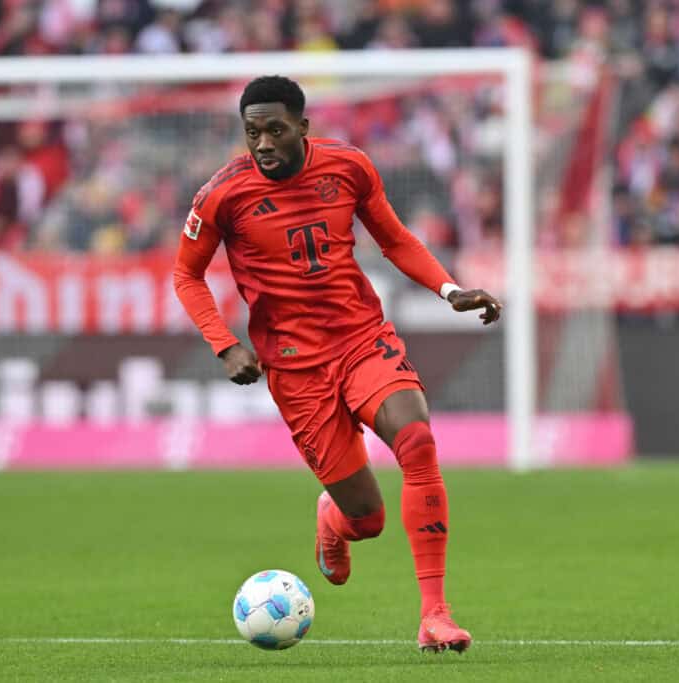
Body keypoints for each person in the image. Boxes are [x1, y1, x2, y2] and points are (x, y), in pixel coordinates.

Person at [174, 75, 501, 653]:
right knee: (367, 519)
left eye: (276, 130)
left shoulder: (348, 167)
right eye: (253, 133)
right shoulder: (222, 195)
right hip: (295, 369)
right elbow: (186, 274)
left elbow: (395, 240)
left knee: (417, 440)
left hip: (361, 338)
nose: (264, 143)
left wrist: (449, 290)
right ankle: (333, 520)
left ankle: (434, 615)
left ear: (303, 126)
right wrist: (225, 344)